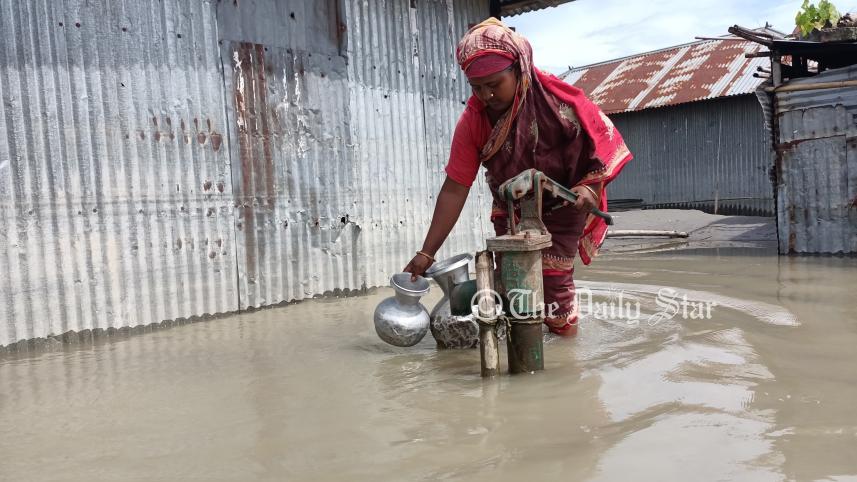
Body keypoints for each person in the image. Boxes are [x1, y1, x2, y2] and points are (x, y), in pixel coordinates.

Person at [403, 18, 632, 336]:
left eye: (494, 84)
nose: (486, 95)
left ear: (518, 69)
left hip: (564, 207)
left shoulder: (559, 106)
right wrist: (426, 253)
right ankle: (522, 350)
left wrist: (589, 188)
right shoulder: (474, 121)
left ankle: (565, 356)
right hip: (511, 207)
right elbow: (455, 188)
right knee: (513, 285)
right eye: (476, 87)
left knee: (554, 287)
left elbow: (597, 147)